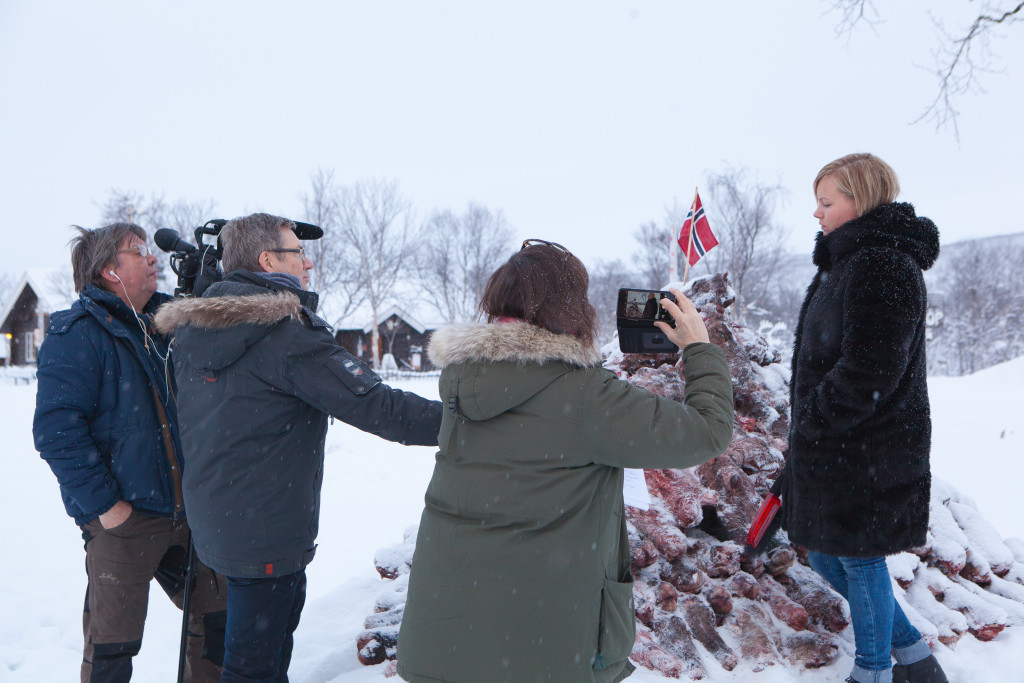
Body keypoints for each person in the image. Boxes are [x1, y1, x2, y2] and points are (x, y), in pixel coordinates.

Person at [397, 239, 735, 683]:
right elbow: (708, 430)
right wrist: (698, 348)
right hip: (544, 652)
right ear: (569, 308)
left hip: (444, 640)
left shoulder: (462, 379)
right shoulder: (585, 394)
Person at [153, 212, 443, 682]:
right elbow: (381, 408)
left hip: (220, 526)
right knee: (256, 665)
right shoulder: (284, 334)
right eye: (298, 253)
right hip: (266, 533)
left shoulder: (196, 327)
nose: (307, 264)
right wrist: (468, 418)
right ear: (268, 260)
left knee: (248, 656)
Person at [779, 153, 948, 683]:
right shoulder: (847, 263)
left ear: (861, 200)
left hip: (869, 444)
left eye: (827, 202)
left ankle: (872, 671)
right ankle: (916, 660)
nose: (817, 214)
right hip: (838, 442)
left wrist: (814, 422)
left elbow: (870, 369)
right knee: (830, 558)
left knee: (858, 558)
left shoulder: (883, 264)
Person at [33, 222, 227, 682]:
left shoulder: (165, 326)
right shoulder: (77, 333)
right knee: (112, 650)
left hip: (190, 514)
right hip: (126, 521)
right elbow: (56, 430)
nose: (152, 258)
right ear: (108, 270)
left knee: (218, 628)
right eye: (138, 251)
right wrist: (106, 505)